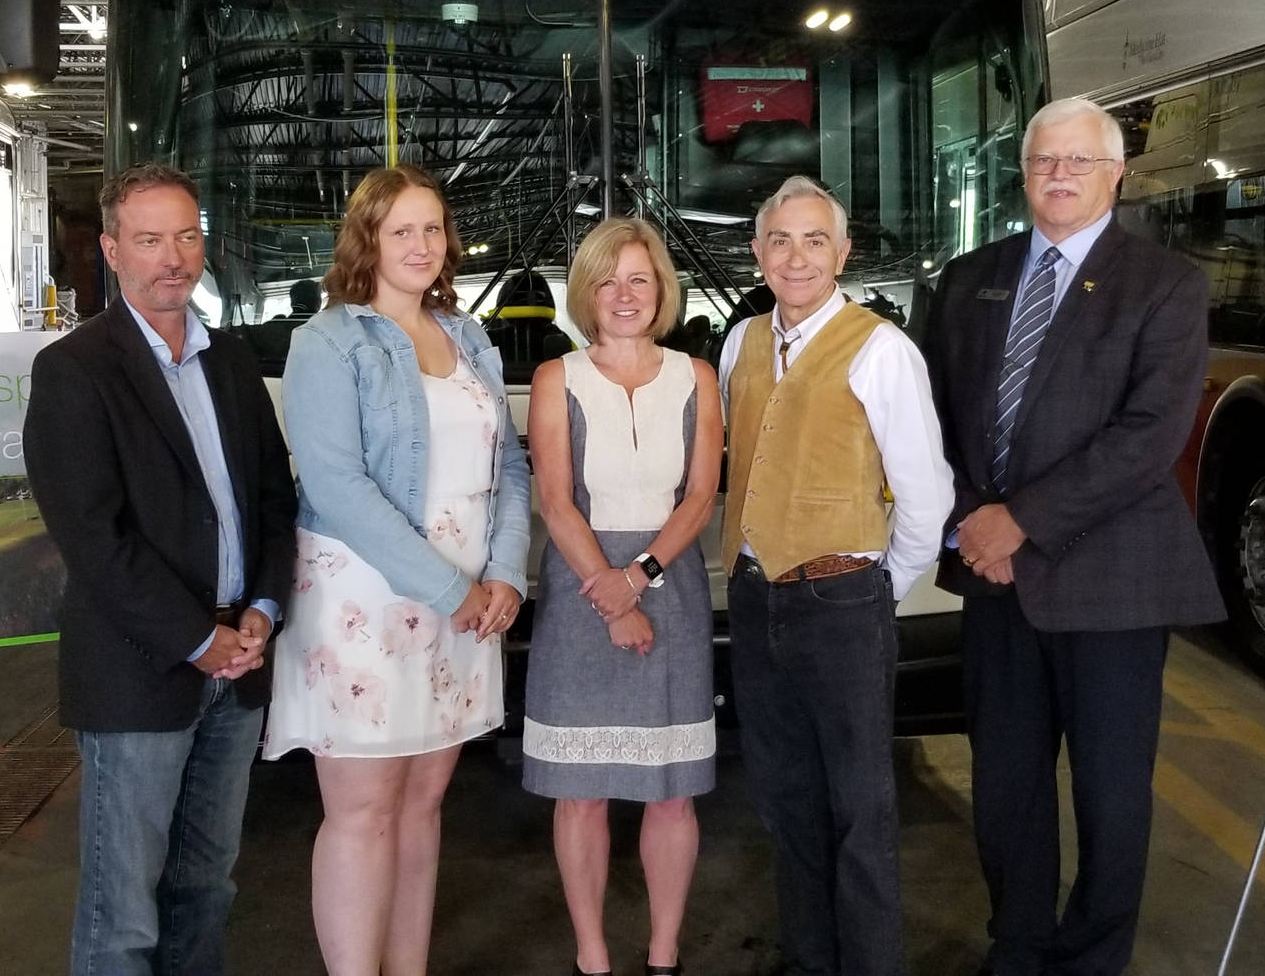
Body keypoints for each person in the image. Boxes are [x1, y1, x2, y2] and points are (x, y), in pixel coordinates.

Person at [924, 98, 1224, 976]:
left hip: (1113, 584)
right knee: (1007, 788)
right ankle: (1016, 946)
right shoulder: (971, 276)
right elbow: (932, 417)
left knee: (1109, 792)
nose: (1059, 173)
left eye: (1079, 161)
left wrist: (1020, 521)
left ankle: (1091, 960)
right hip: (994, 577)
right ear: (1023, 173)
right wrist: (973, 520)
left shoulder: (1165, 284)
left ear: (1116, 174)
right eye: (1044, 159)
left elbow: (1148, 436)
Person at [24, 162, 297, 976]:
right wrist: (195, 637)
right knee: (123, 914)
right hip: (141, 670)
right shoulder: (75, 370)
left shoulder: (231, 360)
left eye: (185, 235)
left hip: (238, 661)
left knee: (206, 888)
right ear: (112, 249)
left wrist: (264, 608)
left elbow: (275, 502)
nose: (171, 257)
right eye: (148, 240)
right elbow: (93, 539)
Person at [265, 164, 530, 976]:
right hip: (368, 598)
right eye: (401, 229)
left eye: (433, 227)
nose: (421, 244)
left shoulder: (467, 335)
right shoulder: (328, 340)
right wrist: (455, 588)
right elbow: (338, 484)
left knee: (422, 806)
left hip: (468, 600)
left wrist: (508, 575)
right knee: (364, 813)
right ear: (367, 239)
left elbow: (511, 469)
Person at [718, 176, 955, 976]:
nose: (796, 257)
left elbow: (928, 493)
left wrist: (877, 582)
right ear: (757, 252)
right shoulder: (740, 342)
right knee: (786, 805)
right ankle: (810, 962)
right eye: (779, 240)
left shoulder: (882, 348)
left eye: (815, 240)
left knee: (861, 810)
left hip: (843, 601)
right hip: (755, 599)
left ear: (843, 253)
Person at [522, 217, 723, 976]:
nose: (624, 294)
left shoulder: (695, 377)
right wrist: (611, 596)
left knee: (672, 793)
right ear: (587, 294)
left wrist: (637, 579)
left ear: (661, 289)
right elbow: (555, 499)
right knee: (581, 792)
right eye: (608, 280)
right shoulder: (556, 379)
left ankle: (664, 953)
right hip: (581, 589)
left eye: (639, 278)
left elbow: (701, 495)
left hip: (666, 589)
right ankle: (593, 956)